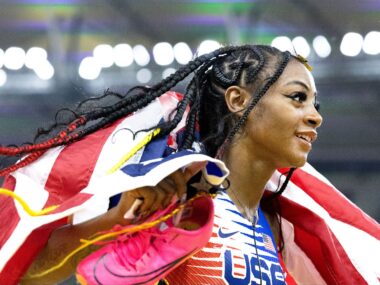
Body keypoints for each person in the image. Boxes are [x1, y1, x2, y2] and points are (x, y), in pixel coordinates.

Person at [0, 45, 379, 285]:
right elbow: (29, 275)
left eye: (316, 105)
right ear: (237, 100)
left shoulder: (283, 229)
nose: (315, 117)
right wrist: (115, 223)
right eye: (297, 98)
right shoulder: (182, 195)